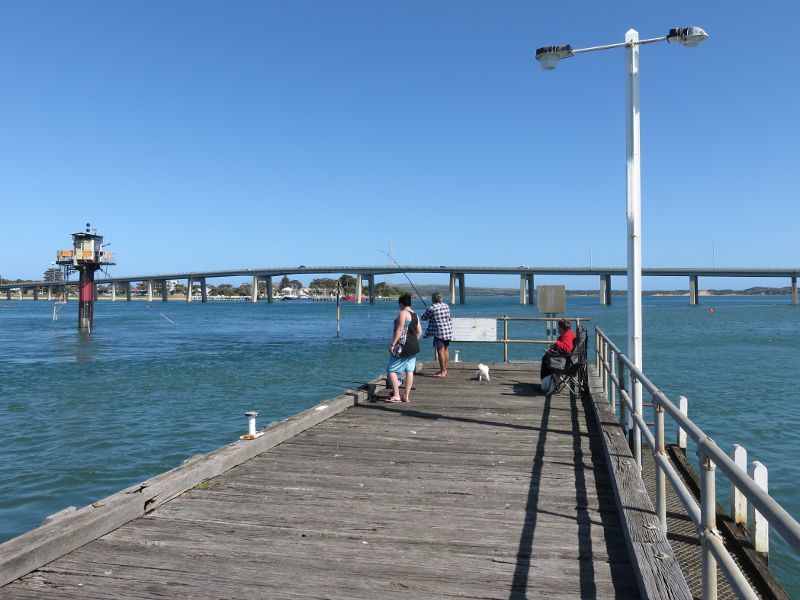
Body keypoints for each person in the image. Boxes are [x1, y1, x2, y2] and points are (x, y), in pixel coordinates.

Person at [386, 293, 422, 403]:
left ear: (401, 303)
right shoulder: (415, 315)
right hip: (413, 346)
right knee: (409, 370)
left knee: (391, 370)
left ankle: (396, 395)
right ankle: (406, 396)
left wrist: (393, 344)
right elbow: (419, 332)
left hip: (402, 346)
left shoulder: (403, 313)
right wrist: (412, 341)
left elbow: (400, 329)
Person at [420, 292, 453, 378]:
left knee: (440, 351)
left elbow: (423, 318)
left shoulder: (431, 308)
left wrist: (428, 310)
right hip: (448, 331)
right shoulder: (446, 306)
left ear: (433, 299)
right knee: (446, 349)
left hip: (439, 332)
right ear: (441, 299)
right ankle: (445, 369)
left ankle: (442, 372)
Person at [539, 318, 576, 385]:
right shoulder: (570, 333)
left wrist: (557, 342)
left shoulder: (567, 336)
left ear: (562, 328)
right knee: (546, 357)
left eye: (558, 327)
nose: (558, 329)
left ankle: (545, 385)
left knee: (545, 359)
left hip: (565, 362)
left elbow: (567, 348)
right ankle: (549, 383)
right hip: (570, 359)